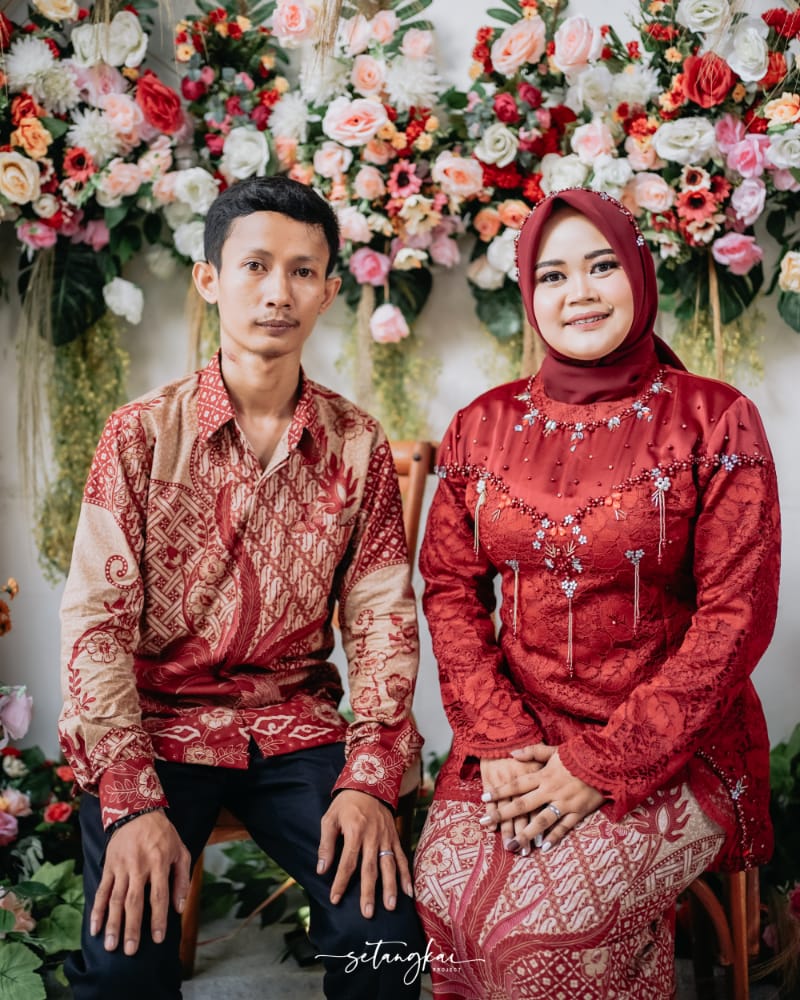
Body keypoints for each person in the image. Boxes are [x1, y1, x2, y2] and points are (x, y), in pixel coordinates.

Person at [59, 175, 425, 1000]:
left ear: (329, 291)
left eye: (302, 271)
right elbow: (95, 626)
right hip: (158, 730)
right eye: (255, 265)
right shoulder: (139, 435)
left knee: (386, 943)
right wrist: (131, 801)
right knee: (122, 967)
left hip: (295, 727)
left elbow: (381, 618)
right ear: (210, 279)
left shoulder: (356, 443)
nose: (277, 291)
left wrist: (370, 777)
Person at [413, 187, 780, 998]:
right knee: (446, 904)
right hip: (515, 737)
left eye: (602, 267)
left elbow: (736, 618)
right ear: (528, 293)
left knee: (538, 936)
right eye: (552, 276)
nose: (578, 293)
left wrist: (604, 764)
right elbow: (448, 588)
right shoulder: (480, 426)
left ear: (639, 275)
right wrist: (499, 739)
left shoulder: (716, 421)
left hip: (673, 747)